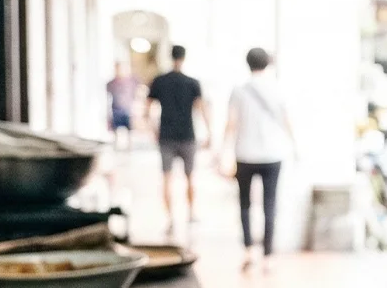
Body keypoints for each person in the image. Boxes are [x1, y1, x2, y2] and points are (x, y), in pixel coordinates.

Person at [220, 47, 295, 271]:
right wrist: (294, 146)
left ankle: (248, 250)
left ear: (248, 63)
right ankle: (268, 256)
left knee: (244, 203)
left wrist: (223, 150)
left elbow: (231, 122)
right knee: (270, 204)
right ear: (267, 63)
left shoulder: (239, 90)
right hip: (272, 154)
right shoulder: (277, 88)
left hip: (245, 154)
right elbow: (286, 120)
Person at [146, 44, 210, 232]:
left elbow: (147, 109)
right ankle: (191, 213)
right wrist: (210, 132)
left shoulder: (159, 81)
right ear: (184, 57)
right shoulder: (192, 83)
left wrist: (154, 130)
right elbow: (202, 108)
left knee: (167, 178)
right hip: (187, 135)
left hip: (166, 136)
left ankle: (170, 219)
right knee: (190, 177)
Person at [105, 62, 141, 150]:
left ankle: (129, 147)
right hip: (116, 109)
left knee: (129, 130)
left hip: (128, 109)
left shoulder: (132, 81)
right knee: (116, 130)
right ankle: (116, 147)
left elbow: (138, 92)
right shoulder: (111, 83)